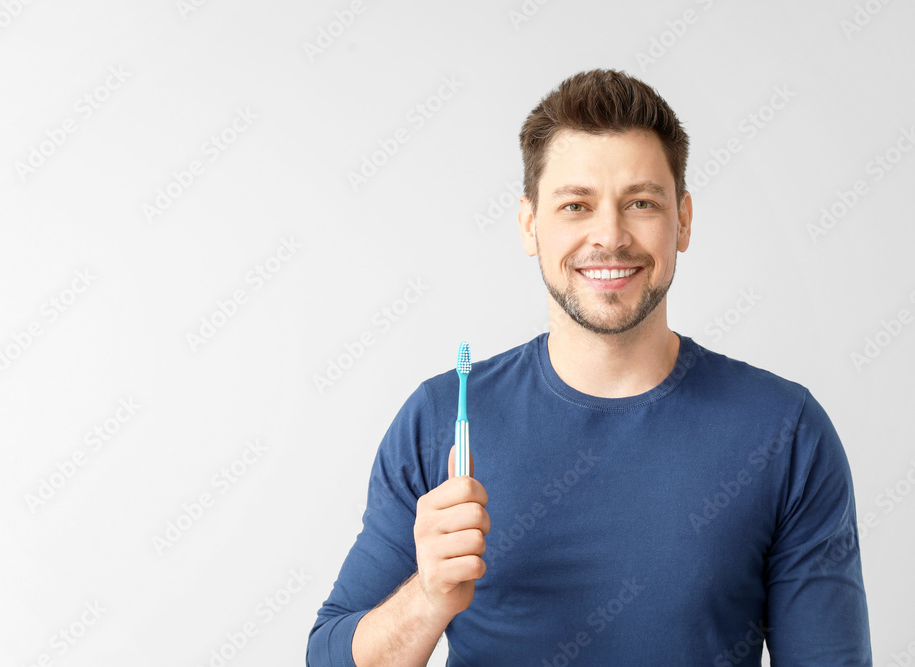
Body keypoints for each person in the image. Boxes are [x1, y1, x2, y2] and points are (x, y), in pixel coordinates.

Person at [307, 68, 871, 666]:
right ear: (530, 224)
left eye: (641, 203)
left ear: (682, 220)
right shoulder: (440, 419)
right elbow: (328, 657)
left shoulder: (785, 431)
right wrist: (426, 599)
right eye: (576, 205)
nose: (610, 235)